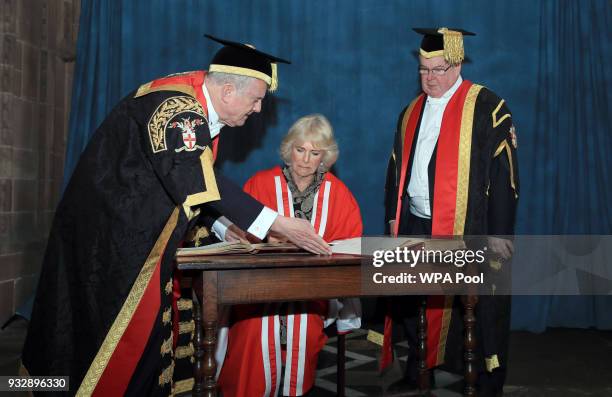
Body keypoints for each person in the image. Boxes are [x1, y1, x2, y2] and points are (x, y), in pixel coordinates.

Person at [21, 35, 331, 396]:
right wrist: (278, 223)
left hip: (129, 238)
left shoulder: (191, 100)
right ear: (229, 90)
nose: (259, 110)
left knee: (137, 347)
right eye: (257, 99)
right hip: (113, 247)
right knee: (117, 348)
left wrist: (221, 224)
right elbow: (195, 176)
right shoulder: (177, 109)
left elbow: (178, 182)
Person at [383, 28, 519, 396]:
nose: (430, 78)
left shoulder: (488, 107)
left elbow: (505, 173)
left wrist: (500, 233)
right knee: (412, 299)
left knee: (477, 306)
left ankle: (486, 382)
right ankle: (417, 370)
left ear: (458, 63)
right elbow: (396, 168)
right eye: (424, 69)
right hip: (415, 220)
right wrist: (393, 216)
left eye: (439, 69)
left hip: (469, 224)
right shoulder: (411, 111)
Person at [216, 114, 363, 397]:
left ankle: (296, 390)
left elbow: (349, 246)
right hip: (259, 286)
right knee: (252, 329)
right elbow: (238, 235)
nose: (306, 160)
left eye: (315, 152)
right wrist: (263, 238)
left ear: (325, 156)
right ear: (289, 149)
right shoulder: (260, 184)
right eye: (300, 149)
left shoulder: (339, 194)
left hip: (313, 288)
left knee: (305, 327)